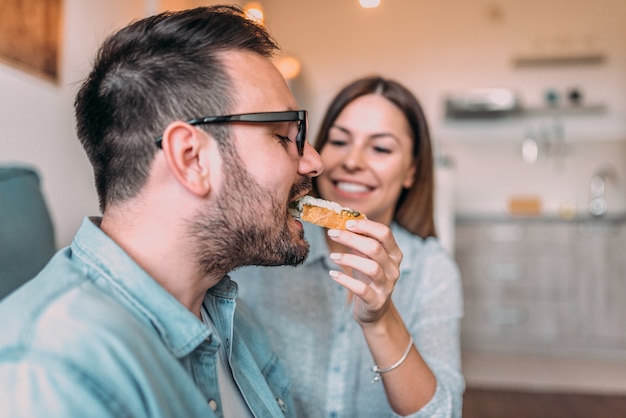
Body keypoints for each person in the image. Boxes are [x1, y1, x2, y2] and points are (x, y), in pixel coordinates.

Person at [0, 6, 323, 418]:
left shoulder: (229, 315)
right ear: (191, 158)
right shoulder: (51, 375)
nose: (313, 162)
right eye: (283, 137)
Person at [234, 75, 465, 417]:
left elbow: (441, 412)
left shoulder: (432, 269)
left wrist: (380, 320)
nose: (353, 161)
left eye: (381, 148)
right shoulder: (265, 249)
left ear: (411, 172)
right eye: (339, 141)